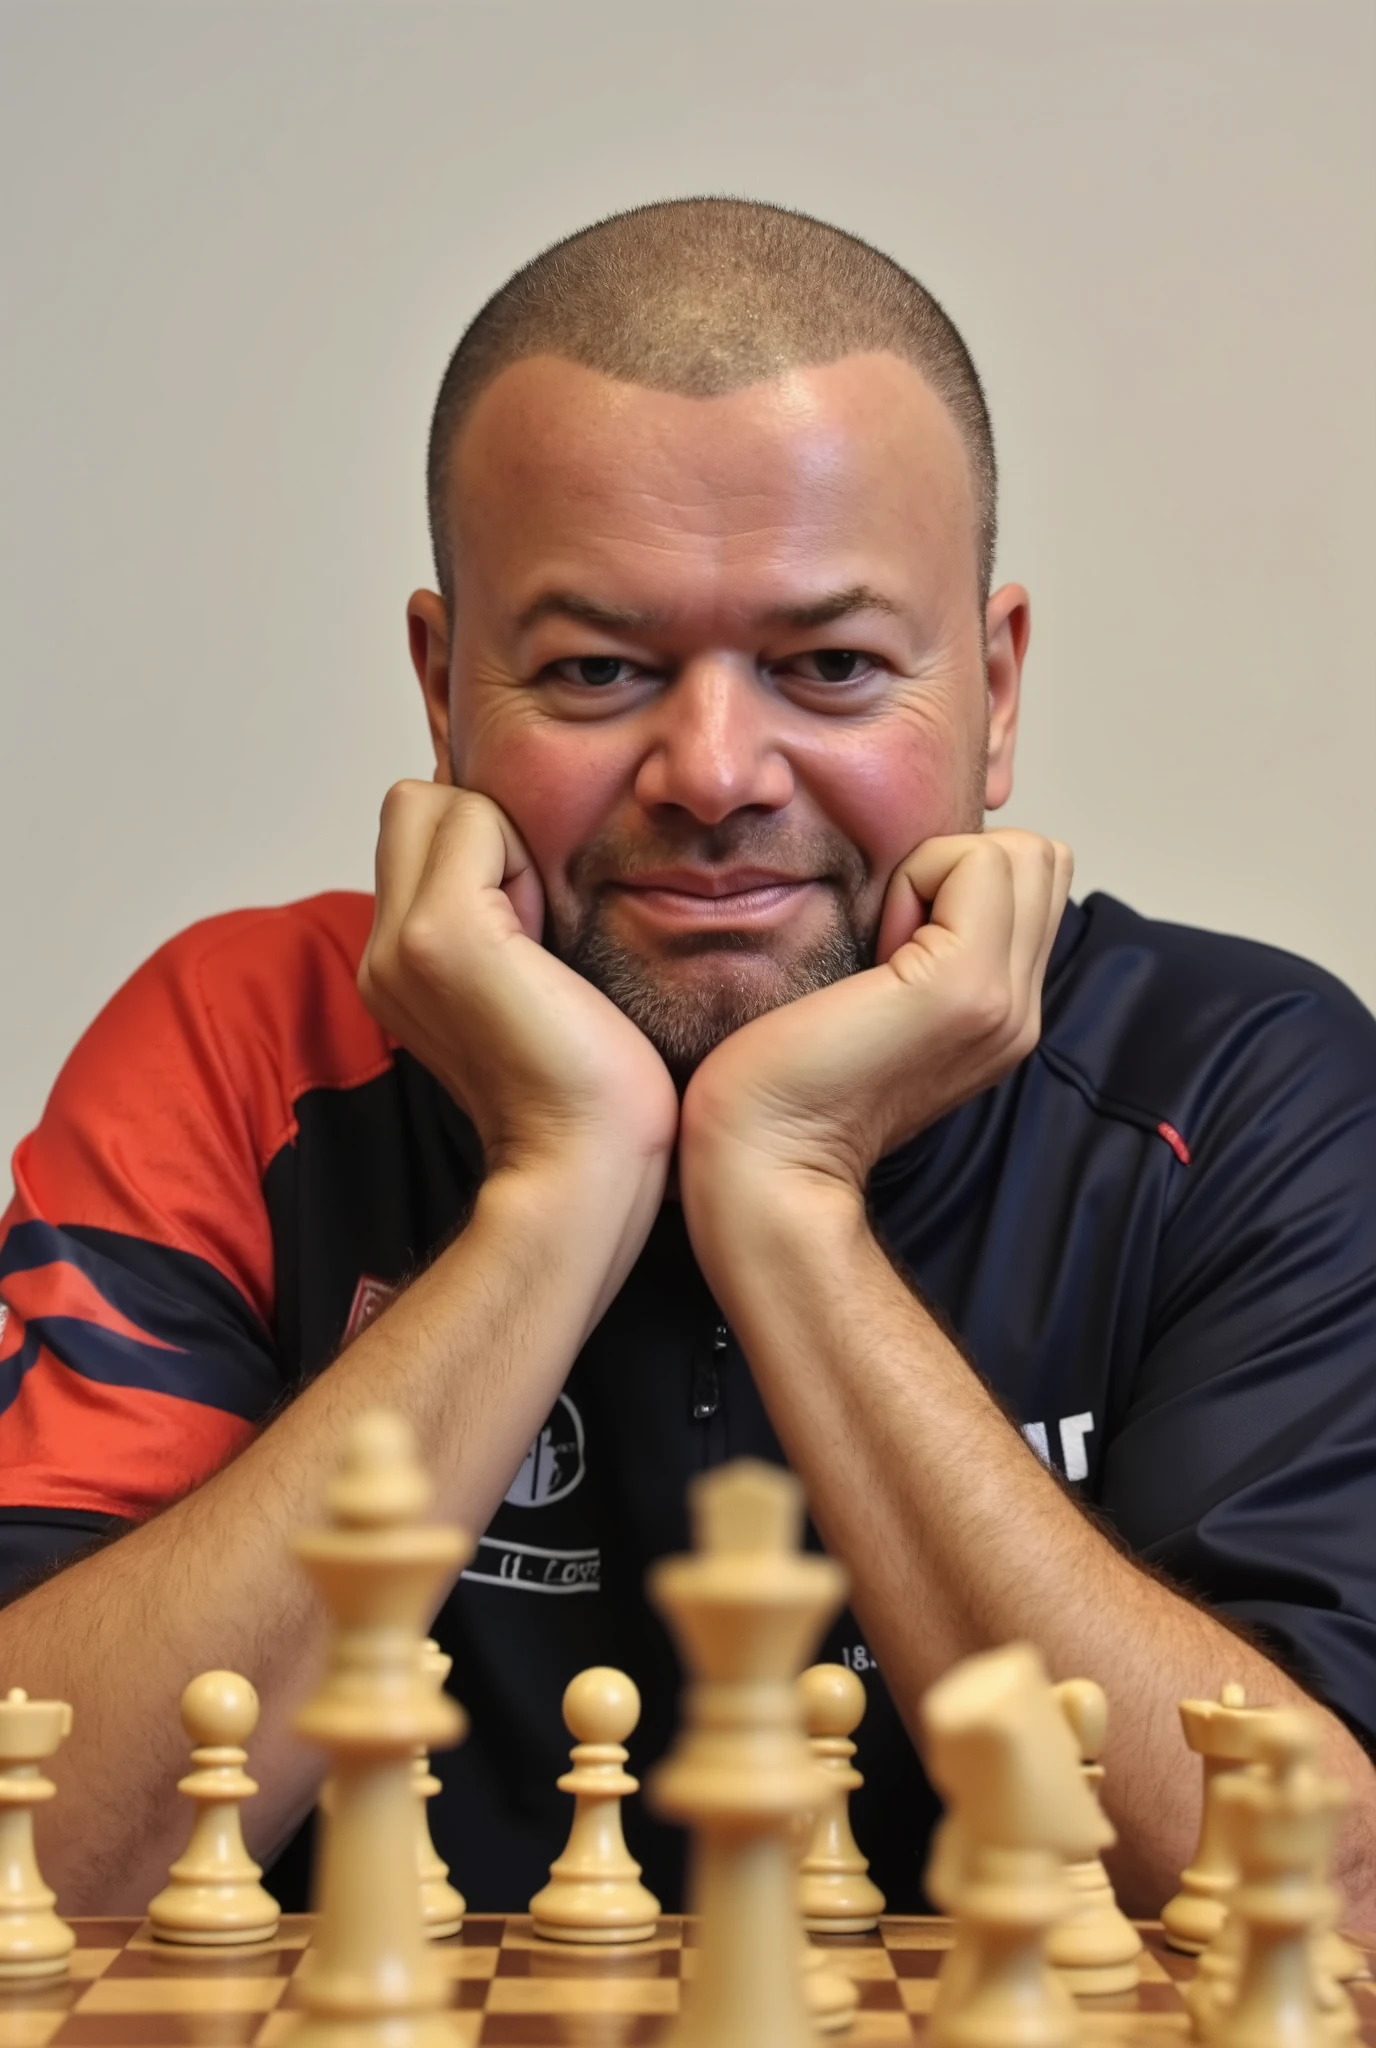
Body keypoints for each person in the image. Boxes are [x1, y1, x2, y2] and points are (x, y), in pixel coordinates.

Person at [1, 197, 1373, 1923]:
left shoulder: (1238, 1080)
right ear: (442, 691)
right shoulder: (233, 1042)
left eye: (832, 665)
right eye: (594, 669)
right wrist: (553, 1195)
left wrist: (786, 1198)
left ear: (999, 690)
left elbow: (1321, 1899)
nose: (716, 771)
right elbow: (29, 1860)